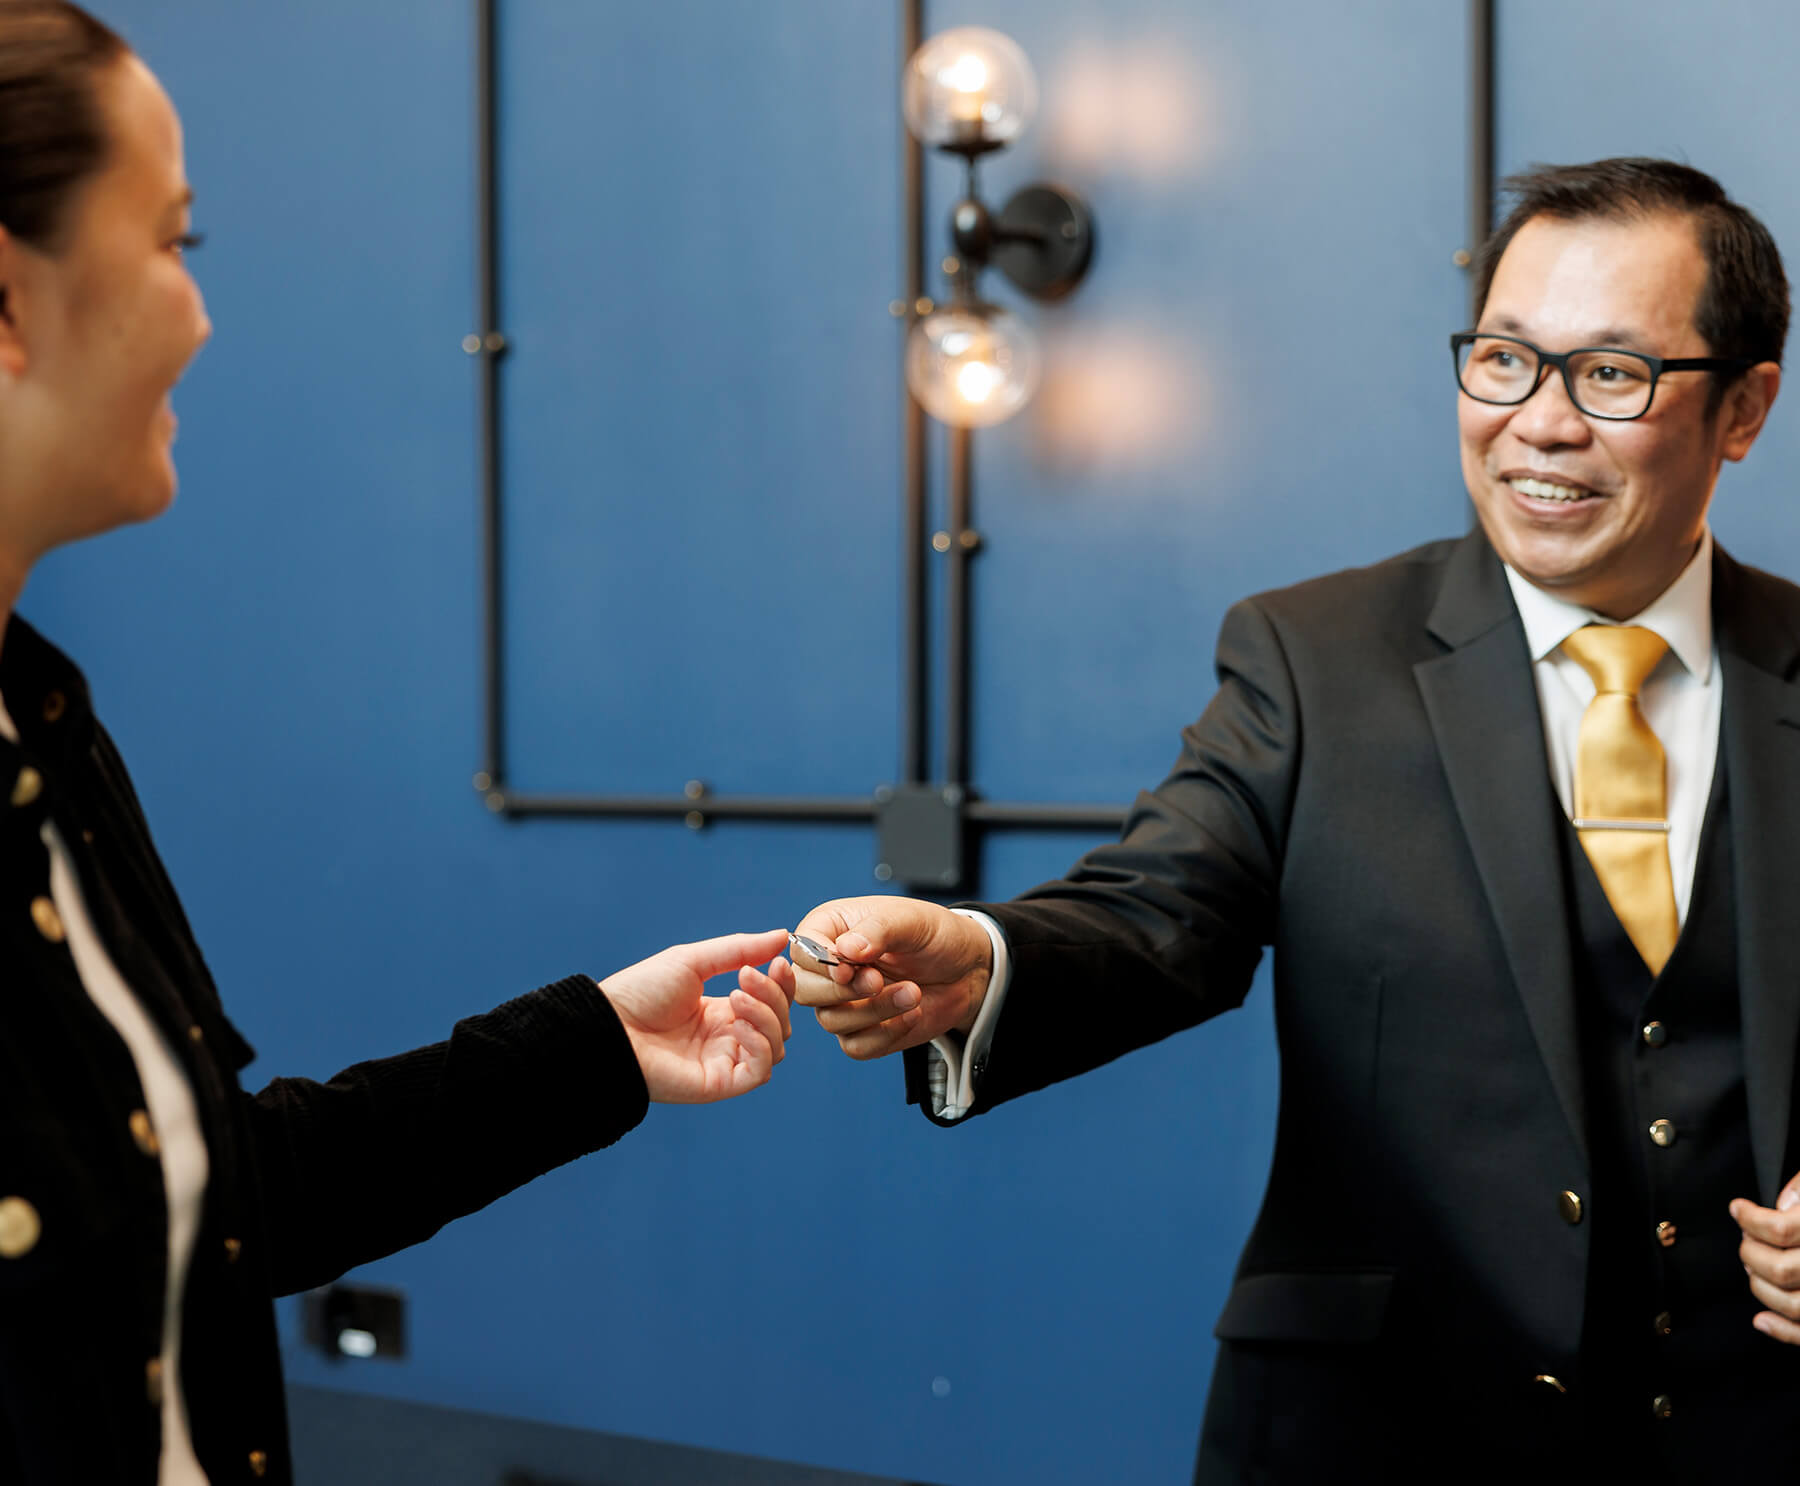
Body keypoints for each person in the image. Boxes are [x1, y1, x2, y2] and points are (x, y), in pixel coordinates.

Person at [793, 157, 1800, 1481]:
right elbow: (1161, 914)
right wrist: (980, 962)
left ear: (1743, 408)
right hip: (1380, 1434)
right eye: (1503, 359)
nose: (1539, 423)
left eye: (1611, 374)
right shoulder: (1315, 655)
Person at [0, 7, 797, 1484]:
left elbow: (224, 1190)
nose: (201, 313)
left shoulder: (46, 732)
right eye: (174, 241)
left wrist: (596, 1045)